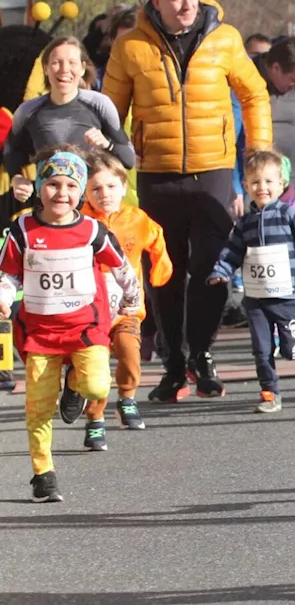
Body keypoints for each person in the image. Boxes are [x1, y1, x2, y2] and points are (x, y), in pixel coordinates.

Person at [103, 0, 272, 403]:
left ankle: (202, 353)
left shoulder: (225, 38)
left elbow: (253, 94)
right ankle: (174, 364)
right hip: (157, 174)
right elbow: (110, 113)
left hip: (213, 169)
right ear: (156, 1)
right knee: (164, 274)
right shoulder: (130, 46)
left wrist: (258, 152)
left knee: (213, 269)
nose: (187, 4)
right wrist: (112, 164)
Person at [0, 151, 141, 502]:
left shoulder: (93, 230)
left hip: (86, 327)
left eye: (70, 185)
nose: (61, 193)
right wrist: (3, 295)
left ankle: (74, 386)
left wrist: (132, 298)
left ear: (81, 193)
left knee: (97, 384)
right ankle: (43, 474)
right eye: (52, 184)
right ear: (39, 187)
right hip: (39, 333)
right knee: (38, 408)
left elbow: (122, 267)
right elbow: (8, 273)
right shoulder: (22, 229)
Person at [208, 149, 295, 414]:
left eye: (269, 181)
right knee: (261, 349)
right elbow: (231, 252)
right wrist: (220, 271)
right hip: (256, 299)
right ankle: (270, 392)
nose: (263, 187)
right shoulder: (245, 223)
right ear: (246, 186)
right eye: (256, 182)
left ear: (281, 184)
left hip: (287, 295)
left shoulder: (290, 214)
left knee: (290, 350)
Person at [81, 149, 171, 441]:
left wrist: (160, 270)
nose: (104, 194)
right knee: (94, 369)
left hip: (127, 308)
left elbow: (156, 239)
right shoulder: (80, 222)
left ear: (123, 187)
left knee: (130, 352)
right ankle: (94, 417)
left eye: (110, 186)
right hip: (89, 311)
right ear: (85, 192)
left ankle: (127, 399)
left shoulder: (136, 219)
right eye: (95, 188)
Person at [5, 37, 135, 211]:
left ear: (82, 68)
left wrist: (107, 144)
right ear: (45, 68)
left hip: (93, 208)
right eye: (56, 63)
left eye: (72, 63)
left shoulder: (99, 105)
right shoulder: (29, 110)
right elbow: (11, 151)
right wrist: (17, 178)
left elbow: (129, 159)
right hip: (50, 208)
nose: (64, 70)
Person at [235, 37, 295, 212]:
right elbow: (230, 134)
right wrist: (235, 186)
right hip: (252, 179)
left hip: (292, 175)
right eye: (294, 79)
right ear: (275, 68)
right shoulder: (243, 76)